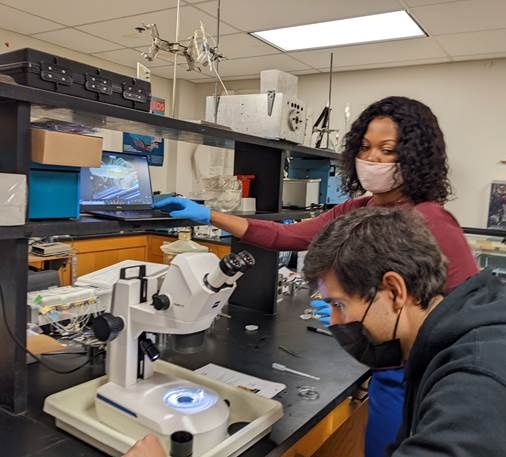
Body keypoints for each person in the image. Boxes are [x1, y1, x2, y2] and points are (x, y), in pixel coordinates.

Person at [154, 96, 479, 456]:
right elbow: (285, 236)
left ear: (415, 156)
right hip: (385, 369)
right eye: (366, 147)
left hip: (419, 376)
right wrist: (209, 214)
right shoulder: (357, 209)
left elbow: (465, 315)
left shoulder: (434, 222)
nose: (372, 159)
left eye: (387, 150)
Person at [303, 206, 506, 456]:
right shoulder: (437, 341)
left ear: (395, 291)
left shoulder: (474, 378)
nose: (335, 321)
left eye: (339, 304)